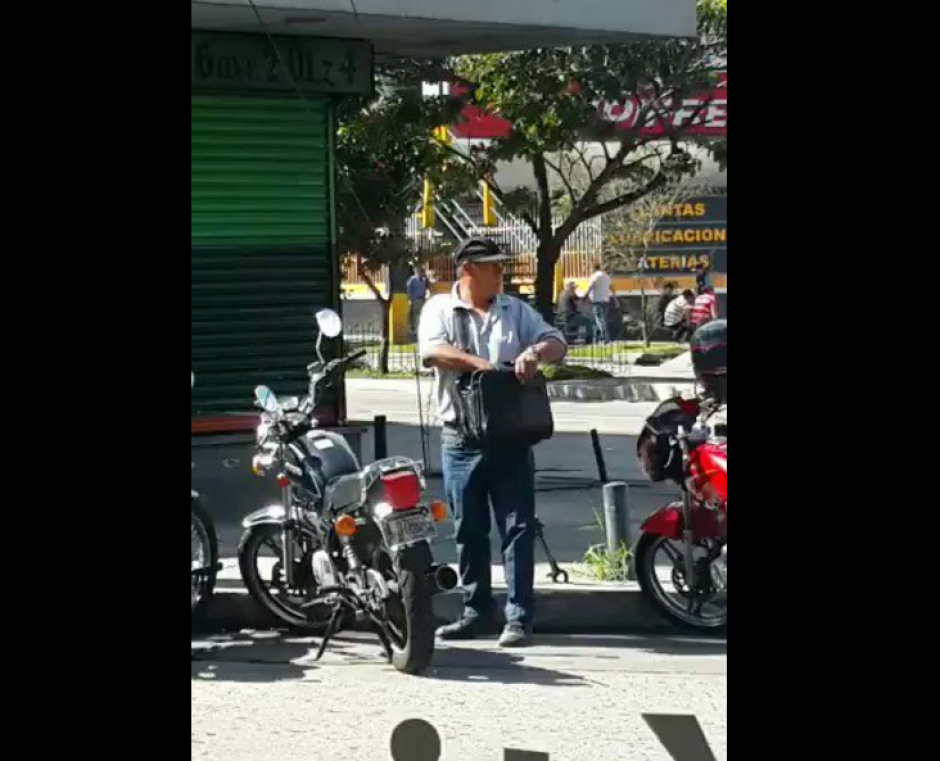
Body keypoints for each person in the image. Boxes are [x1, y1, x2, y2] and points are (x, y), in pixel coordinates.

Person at [419, 238, 567, 648]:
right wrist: (479, 366)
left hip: (510, 437)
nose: (501, 273)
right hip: (461, 439)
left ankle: (518, 618)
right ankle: (475, 610)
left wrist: (536, 351)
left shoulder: (514, 309)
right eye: (493, 267)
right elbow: (432, 351)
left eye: (502, 266)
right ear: (467, 269)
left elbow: (557, 342)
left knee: (518, 528)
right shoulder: (439, 308)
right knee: (469, 529)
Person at [584, 261, 613, 343]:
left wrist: (584, 296)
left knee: (599, 320)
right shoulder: (606, 276)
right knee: (604, 319)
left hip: (597, 301)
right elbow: (611, 287)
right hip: (606, 301)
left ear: (593, 268)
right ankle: (604, 337)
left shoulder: (594, 277)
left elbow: (590, 287)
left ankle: (604, 337)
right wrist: (615, 298)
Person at [406, 266, 431, 339]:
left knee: (421, 316)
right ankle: (416, 331)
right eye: (419, 271)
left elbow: (428, 286)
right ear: (415, 271)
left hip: (422, 299)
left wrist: (426, 277)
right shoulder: (412, 280)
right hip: (415, 300)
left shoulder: (424, 280)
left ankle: (419, 331)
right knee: (415, 316)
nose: (420, 272)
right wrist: (410, 299)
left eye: (421, 271)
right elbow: (409, 290)